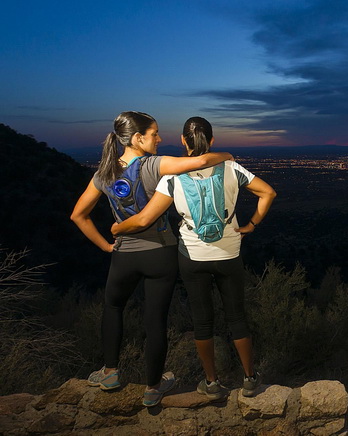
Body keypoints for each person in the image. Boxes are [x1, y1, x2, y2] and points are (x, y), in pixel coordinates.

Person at [70, 111, 234, 407]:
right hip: (160, 253)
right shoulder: (154, 165)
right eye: (155, 134)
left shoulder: (103, 174)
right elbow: (200, 161)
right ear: (137, 138)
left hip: (124, 256)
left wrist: (107, 247)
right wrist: (227, 153)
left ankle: (110, 372)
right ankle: (153, 387)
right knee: (155, 321)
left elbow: (77, 215)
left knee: (113, 307)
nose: (160, 139)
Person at [111, 116, 276, 400]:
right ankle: (250, 378)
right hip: (229, 252)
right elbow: (268, 192)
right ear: (212, 141)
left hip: (192, 255)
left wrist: (117, 228)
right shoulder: (231, 168)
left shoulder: (172, 177)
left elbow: (144, 219)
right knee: (237, 316)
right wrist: (252, 224)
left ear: (184, 141)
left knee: (202, 321)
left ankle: (211, 383)